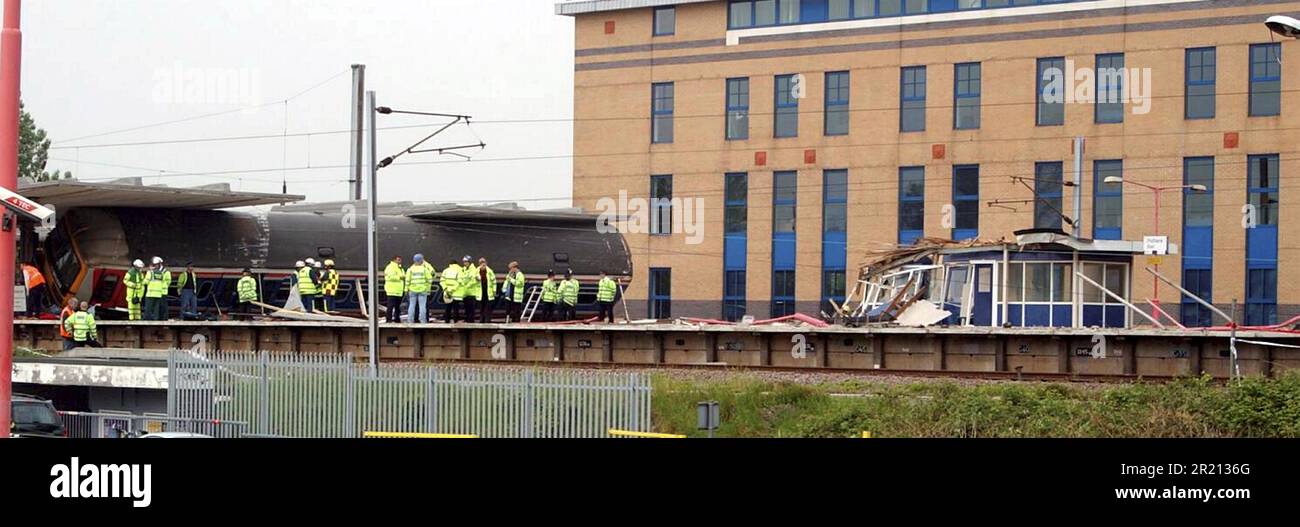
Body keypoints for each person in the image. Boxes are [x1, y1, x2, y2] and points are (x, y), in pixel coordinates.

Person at [406, 254, 435, 324]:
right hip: (422, 290)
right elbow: (430, 279)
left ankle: (410, 320)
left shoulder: (410, 269)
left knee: (412, 306)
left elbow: (407, 280)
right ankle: (423, 321)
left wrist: (406, 289)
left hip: (412, 290)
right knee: (422, 306)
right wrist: (425, 285)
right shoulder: (424, 269)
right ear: (421, 261)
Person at [144, 256, 172, 321]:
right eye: (154, 265)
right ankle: (158, 318)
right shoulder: (155, 271)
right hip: (157, 292)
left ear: (160, 264)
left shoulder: (166, 272)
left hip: (163, 292)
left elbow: (168, 281)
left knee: (163, 306)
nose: (155, 266)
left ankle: (164, 319)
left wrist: (163, 286)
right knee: (157, 307)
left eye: (156, 265)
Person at [383, 256, 405, 323]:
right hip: (392, 290)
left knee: (397, 306)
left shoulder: (400, 268)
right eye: (398, 260)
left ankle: (397, 318)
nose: (400, 261)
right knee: (390, 306)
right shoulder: (390, 267)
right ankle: (388, 319)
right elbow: (390, 277)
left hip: (398, 290)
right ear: (394, 260)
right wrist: (400, 277)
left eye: (400, 260)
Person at [440, 258, 462, 322]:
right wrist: (452, 289)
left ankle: (447, 320)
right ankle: (456, 321)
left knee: (448, 308)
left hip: (447, 292)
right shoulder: (460, 270)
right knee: (456, 308)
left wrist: (446, 288)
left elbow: (442, 281)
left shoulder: (445, 270)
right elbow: (459, 282)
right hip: (456, 292)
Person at [459, 256, 478, 323]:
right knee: (466, 308)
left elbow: (474, 280)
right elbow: (460, 277)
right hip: (464, 292)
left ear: (469, 262)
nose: (465, 263)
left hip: (471, 292)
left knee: (471, 309)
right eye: (464, 262)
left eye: (466, 262)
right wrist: (461, 283)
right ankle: (467, 319)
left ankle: (471, 321)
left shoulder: (473, 270)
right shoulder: (463, 269)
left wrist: (467, 285)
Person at [477, 257, 496, 323]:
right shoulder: (476, 271)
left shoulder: (490, 271)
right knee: (481, 307)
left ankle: (487, 319)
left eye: (484, 264)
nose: (483, 266)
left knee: (488, 307)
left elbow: (494, 282)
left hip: (488, 292)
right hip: (480, 293)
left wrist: (494, 290)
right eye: (481, 264)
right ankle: (481, 319)